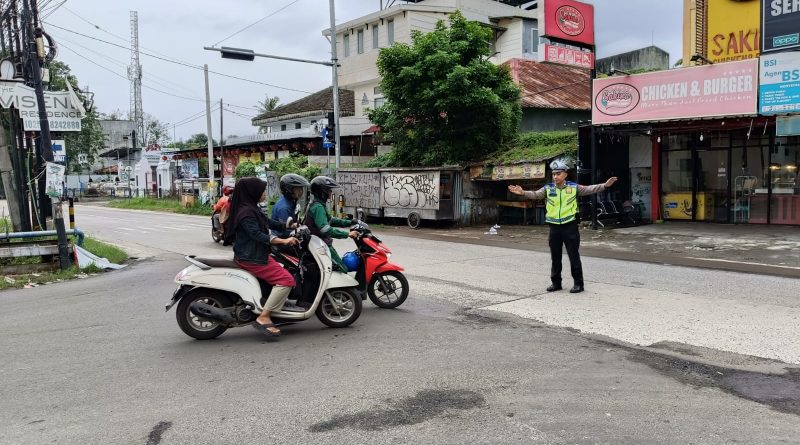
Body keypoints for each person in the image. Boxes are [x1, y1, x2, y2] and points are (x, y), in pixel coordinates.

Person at [508, 160, 618, 294]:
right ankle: (556, 283)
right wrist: (523, 192)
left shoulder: (574, 188)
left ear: (565, 174)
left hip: (570, 226)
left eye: (558, 174)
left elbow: (589, 189)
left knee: (573, 256)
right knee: (555, 256)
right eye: (554, 174)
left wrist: (605, 185)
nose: (555, 177)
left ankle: (578, 284)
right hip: (554, 228)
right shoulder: (548, 188)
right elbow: (536, 195)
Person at [224, 177, 299, 338]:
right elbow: (257, 235)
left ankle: (272, 306)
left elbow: (267, 222)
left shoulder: (251, 208)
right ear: (252, 192)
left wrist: (288, 225)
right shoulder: (246, 213)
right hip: (253, 257)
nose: (264, 193)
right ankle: (264, 317)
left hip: (254, 254)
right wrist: (283, 240)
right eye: (262, 191)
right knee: (286, 280)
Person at [304, 176, 358, 271]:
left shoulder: (318, 204)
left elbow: (331, 220)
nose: (330, 192)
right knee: (342, 269)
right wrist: (347, 234)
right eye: (328, 190)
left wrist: (350, 222)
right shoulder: (318, 207)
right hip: (321, 245)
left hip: (320, 243)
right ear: (321, 192)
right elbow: (325, 229)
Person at [271, 173, 310, 240]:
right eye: (298, 189)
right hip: (281, 240)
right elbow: (285, 231)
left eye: (301, 189)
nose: (301, 192)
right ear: (288, 190)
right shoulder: (284, 207)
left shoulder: (291, 201)